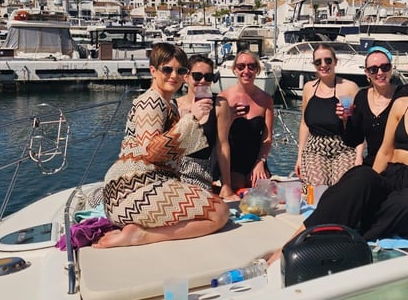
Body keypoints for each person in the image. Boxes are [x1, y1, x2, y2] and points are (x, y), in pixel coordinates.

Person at [270, 42, 408, 262]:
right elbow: (385, 152)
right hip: (391, 176)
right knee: (360, 176)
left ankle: (347, 234)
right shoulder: (402, 104)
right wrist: (369, 186)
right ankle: (295, 241)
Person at [95, 43, 229, 248]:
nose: (173, 75)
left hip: (128, 191)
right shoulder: (152, 102)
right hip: (135, 190)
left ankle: (140, 231)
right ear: (153, 71)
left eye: (180, 70)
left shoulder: (165, 104)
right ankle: (142, 236)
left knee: (210, 207)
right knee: (220, 212)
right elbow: (153, 152)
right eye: (167, 69)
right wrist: (192, 118)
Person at [296, 43, 362, 187]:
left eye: (328, 60)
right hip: (315, 148)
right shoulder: (308, 88)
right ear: (314, 65)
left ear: (335, 62)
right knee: (318, 187)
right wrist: (300, 156)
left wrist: (359, 156)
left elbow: (359, 126)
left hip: (344, 146)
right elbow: (304, 124)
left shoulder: (349, 87)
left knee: (341, 188)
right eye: (318, 62)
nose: (323, 65)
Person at [215, 50, 275, 199]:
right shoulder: (224, 98)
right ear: (235, 69)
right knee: (239, 185)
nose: (246, 71)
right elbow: (219, 139)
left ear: (257, 70)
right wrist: (230, 118)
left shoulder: (266, 99)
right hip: (231, 160)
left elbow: (267, 139)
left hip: (255, 158)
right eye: (241, 66)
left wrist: (260, 162)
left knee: (262, 189)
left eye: (251, 66)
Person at [175, 54, 219, 191]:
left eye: (208, 77)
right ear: (186, 77)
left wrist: (227, 186)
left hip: (202, 174)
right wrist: (193, 116)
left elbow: (222, 146)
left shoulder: (218, 106)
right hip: (174, 173)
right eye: (197, 76)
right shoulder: (173, 106)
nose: (203, 81)